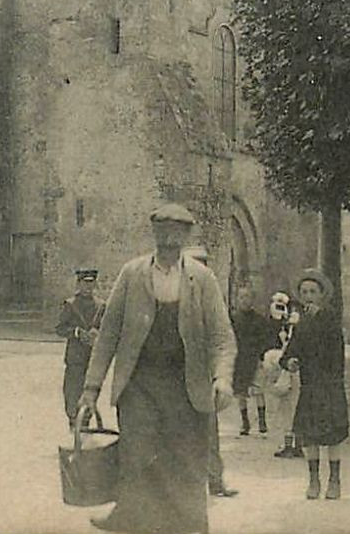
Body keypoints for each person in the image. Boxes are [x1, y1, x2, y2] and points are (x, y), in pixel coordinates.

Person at [78, 204, 237, 533]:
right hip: (139, 384)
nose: (170, 236)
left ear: (187, 234)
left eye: (178, 229)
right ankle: (132, 522)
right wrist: (91, 389)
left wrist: (222, 378)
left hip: (187, 384)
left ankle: (190, 531)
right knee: (138, 457)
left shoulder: (202, 278)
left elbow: (222, 338)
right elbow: (108, 335)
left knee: (188, 461)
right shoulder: (132, 273)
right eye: (163, 228)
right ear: (153, 232)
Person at [279, 268, 348, 500]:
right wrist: (290, 362)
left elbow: (335, 352)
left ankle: (334, 480)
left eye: (313, 291)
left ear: (321, 295)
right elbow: (288, 353)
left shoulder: (330, 319)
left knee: (332, 435)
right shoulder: (301, 323)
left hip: (329, 385)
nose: (308, 296)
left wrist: (318, 319)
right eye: (304, 292)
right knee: (309, 436)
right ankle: (314, 480)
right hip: (309, 386)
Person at [183, 245, 240, 499]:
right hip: (178, 375)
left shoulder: (213, 298)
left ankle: (215, 482)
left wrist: (220, 374)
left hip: (204, 376)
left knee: (209, 431)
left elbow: (222, 337)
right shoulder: (176, 297)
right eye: (196, 264)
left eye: (204, 264)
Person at [55, 268, 102, 423]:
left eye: (91, 283)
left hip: (93, 357)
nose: (88, 287)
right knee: (73, 391)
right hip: (75, 357)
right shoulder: (70, 305)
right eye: (84, 283)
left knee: (90, 391)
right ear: (78, 284)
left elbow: (108, 328)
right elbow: (60, 328)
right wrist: (76, 332)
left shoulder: (101, 306)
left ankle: (86, 421)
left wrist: (97, 333)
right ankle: (73, 422)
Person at [230, 282, 275, 436]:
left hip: (254, 357)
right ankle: (245, 422)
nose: (245, 300)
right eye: (242, 297)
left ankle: (262, 421)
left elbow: (266, 339)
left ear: (253, 299)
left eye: (248, 297)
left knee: (258, 390)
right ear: (237, 299)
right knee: (240, 391)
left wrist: (262, 357)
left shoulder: (259, 320)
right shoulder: (233, 319)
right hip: (239, 359)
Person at [266, 292, 303, 458]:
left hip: (294, 368)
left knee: (291, 407)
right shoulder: (282, 326)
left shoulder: (295, 329)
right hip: (291, 366)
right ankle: (295, 444)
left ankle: (294, 445)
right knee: (290, 406)